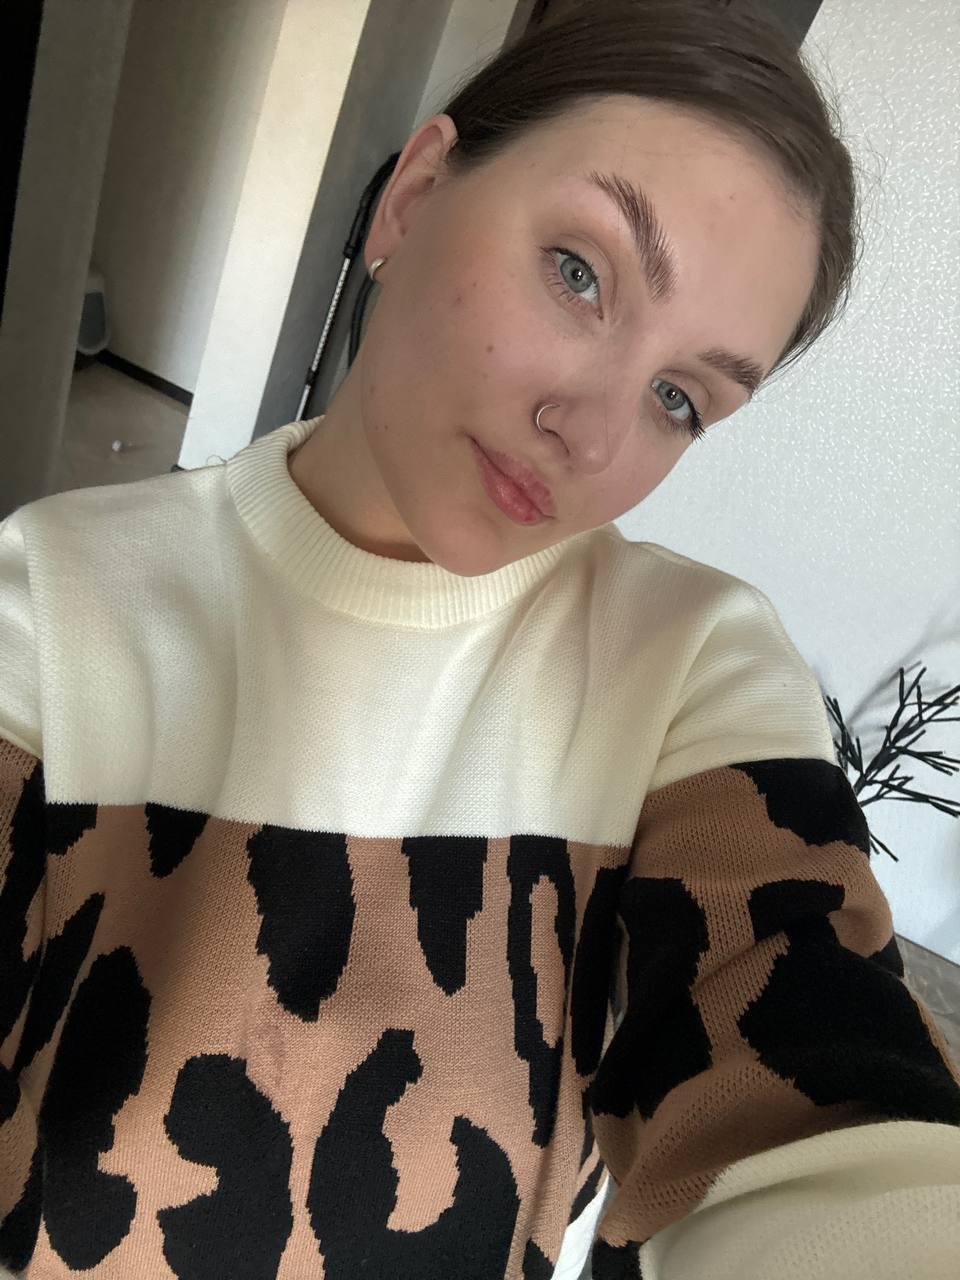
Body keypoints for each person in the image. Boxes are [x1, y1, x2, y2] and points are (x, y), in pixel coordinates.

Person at [1, 1, 958, 1277]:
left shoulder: (689, 668)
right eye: (580, 272)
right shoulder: (52, 600)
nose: (593, 431)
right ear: (412, 198)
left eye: (680, 397)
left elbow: (806, 1054)